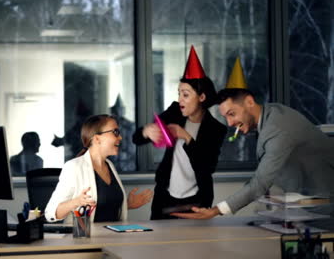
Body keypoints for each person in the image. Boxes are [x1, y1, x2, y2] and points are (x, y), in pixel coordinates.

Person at [173, 88, 334, 219]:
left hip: (326, 205)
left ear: (249, 102)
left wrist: (216, 210)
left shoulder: (276, 129)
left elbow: (260, 183)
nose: (229, 123)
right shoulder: (271, 113)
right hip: (310, 205)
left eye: (232, 114)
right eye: (225, 117)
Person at [133, 46, 227, 220]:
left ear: (202, 97)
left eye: (185, 94)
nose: (180, 100)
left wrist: (186, 136)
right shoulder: (174, 112)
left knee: (193, 244)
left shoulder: (216, 129)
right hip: (166, 195)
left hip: (197, 199)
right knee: (160, 243)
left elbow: (207, 167)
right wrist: (147, 131)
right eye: (179, 94)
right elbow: (136, 138)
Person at [45, 114, 153, 223]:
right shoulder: (73, 167)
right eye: (115, 132)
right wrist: (76, 202)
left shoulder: (110, 165)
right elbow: (50, 214)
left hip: (114, 237)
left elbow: (104, 208)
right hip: (85, 238)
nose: (120, 137)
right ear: (97, 139)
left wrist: (128, 205)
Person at [109, 95, 136, 172]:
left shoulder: (130, 126)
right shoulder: (107, 127)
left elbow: (132, 148)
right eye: (116, 110)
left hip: (127, 165)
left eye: (119, 109)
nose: (118, 112)